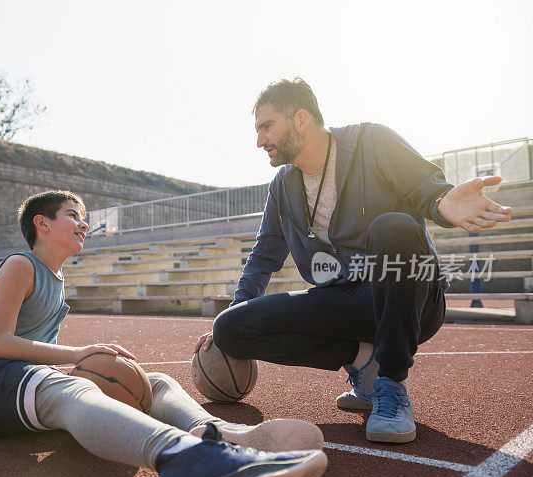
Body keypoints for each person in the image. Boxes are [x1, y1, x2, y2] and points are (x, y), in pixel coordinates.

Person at [0, 189, 327, 477]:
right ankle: (183, 460)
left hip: (20, 382)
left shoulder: (56, 280)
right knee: (73, 393)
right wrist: (79, 354)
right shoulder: (21, 265)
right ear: (42, 223)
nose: (84, 224)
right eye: (73, 215)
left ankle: (220, 435)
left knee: (152, 382)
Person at [195, 78, 512, 444]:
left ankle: (391, 385)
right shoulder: (283, 185)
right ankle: (364, 361)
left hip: (410, 297)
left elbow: (426, 187)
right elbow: (265, 255)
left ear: (300, 119)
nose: (260, 140)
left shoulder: (371, 141)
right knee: (230, 328)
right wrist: (235, 308)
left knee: (393, 226)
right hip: (348, 303)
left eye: (267, 127)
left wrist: (441, 203)